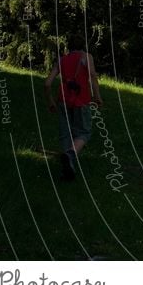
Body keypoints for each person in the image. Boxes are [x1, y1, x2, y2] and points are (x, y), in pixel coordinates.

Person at [44, 34, 103, 181]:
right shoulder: (86, 57)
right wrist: (97, 96)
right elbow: (93, 77)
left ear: (68, 47)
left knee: (66, 133)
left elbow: (47, 84)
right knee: (83, 132)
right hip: (81, 100)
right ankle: (70, 155)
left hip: (63, 100)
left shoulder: (61, 60)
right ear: (84, 45)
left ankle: (67, 168)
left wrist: (50, 101)